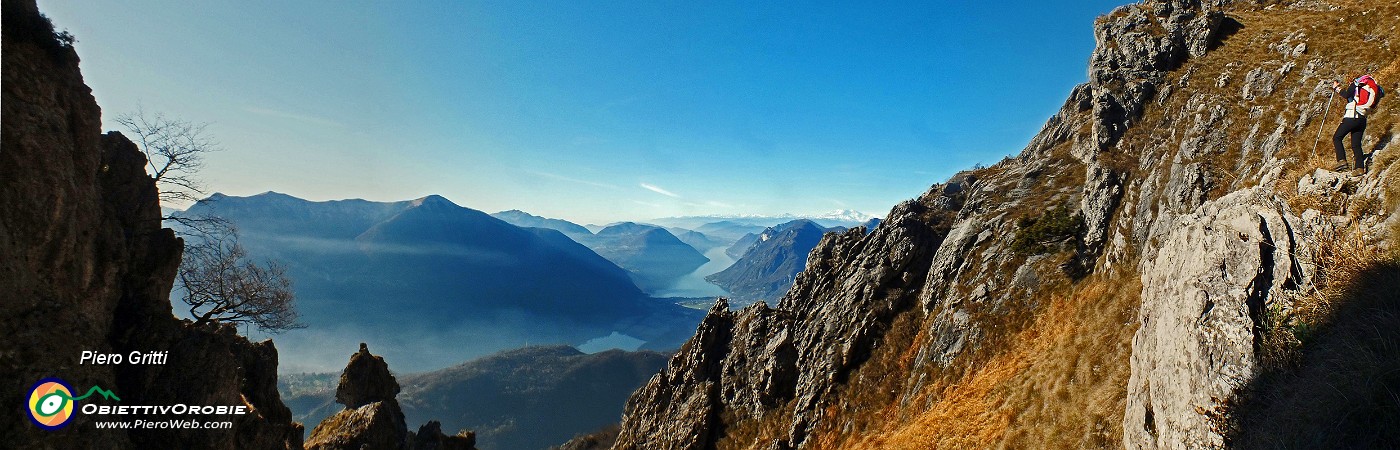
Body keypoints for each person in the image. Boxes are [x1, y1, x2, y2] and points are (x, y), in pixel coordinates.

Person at [1332, 74, 1380, 172]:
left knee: (1337, 137)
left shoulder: (1356, 84)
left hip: (1351, 116)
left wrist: (1336, 88)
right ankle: (1359, 168)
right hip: (1362, 119)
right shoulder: (1369, 86)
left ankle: (1342, 161)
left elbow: (1346, 94)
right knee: (1356, 145)